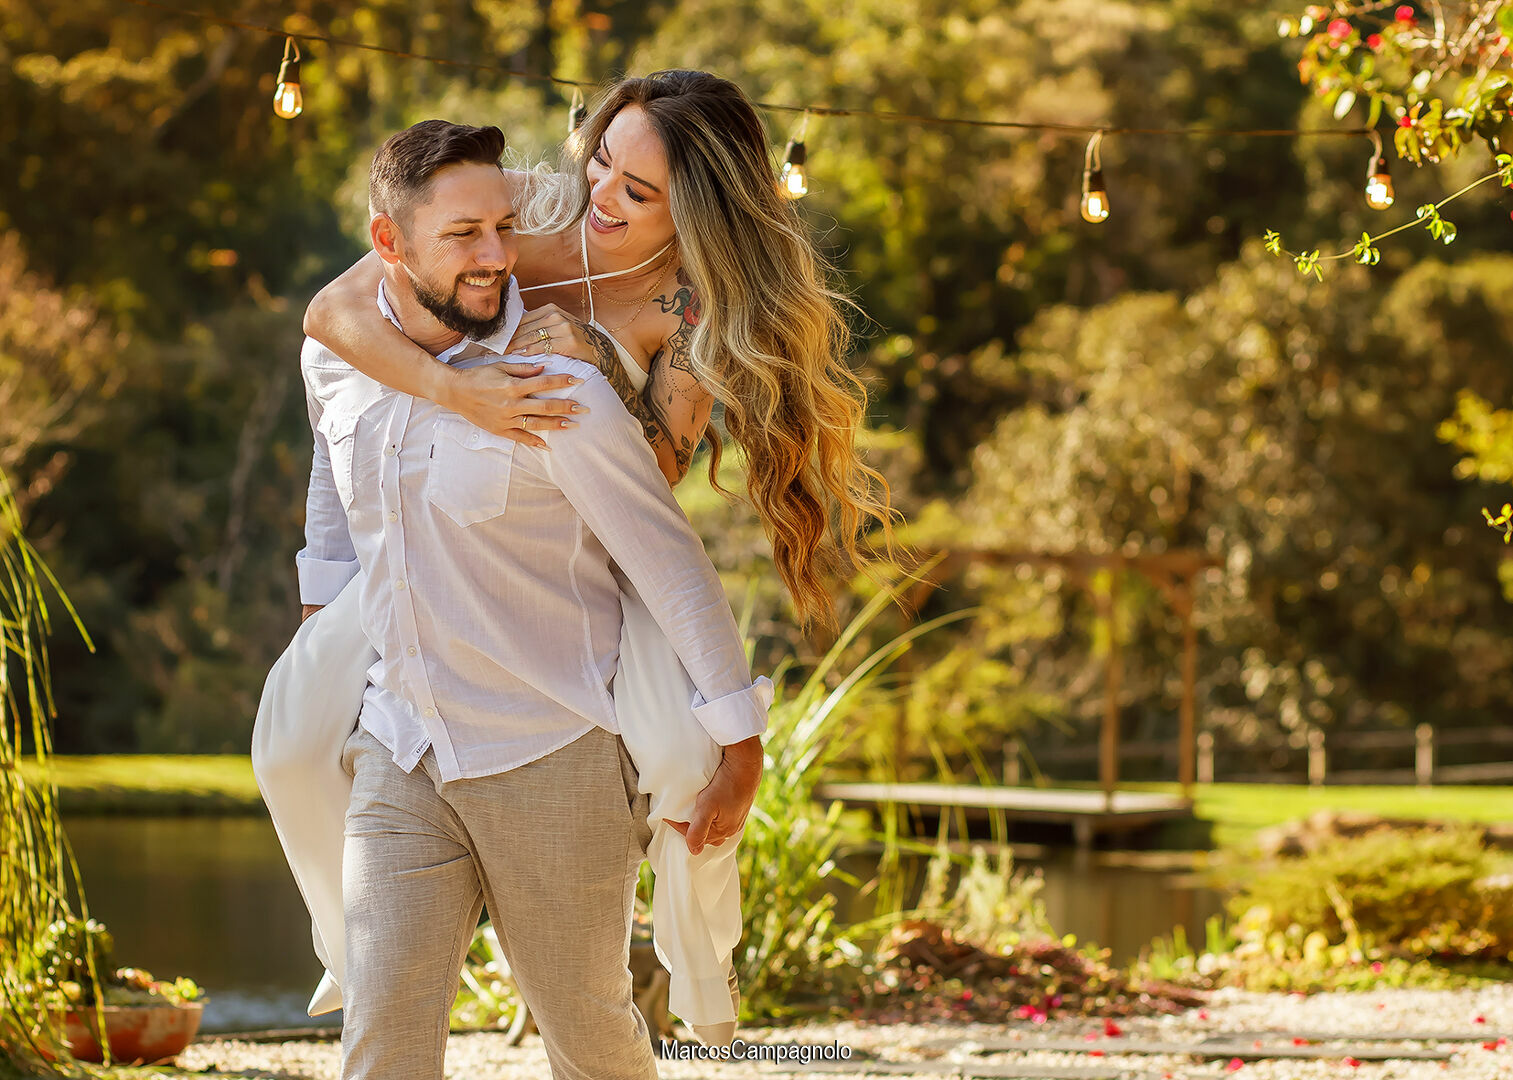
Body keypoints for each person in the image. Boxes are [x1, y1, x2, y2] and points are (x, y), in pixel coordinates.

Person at [287, 118, 768, 1080]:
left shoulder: (557, 391)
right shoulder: (341, 364)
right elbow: (333, 515)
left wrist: (739, 746)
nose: (497, 258)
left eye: (503, 230)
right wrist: (322, 660)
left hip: (550, 752)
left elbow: (667, 558)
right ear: (389, 243)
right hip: (405, 749)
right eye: (463, 236)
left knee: (589, 1042)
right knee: (379, 1042)